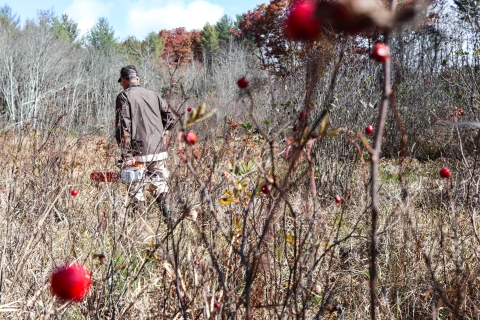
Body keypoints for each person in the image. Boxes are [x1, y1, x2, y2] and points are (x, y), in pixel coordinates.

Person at [115, 65, 173, 217]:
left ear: (124, 80)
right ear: (137, 79)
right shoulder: (153, 95)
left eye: (121, 81)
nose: (121, 84)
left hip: (136, 153)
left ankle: (139, 228)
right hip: (158, 151)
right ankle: (170, 222)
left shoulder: (124, 96)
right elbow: (171, 120)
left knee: (135, 189)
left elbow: (123, 128)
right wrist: (161, 135)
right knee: (160, 185)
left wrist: (127, 156)